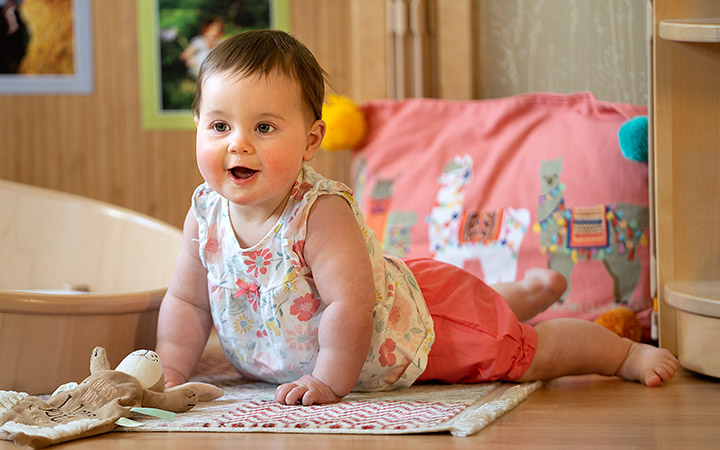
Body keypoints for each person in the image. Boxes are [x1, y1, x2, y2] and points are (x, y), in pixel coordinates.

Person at [156, 30, 678, 406]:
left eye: (265, 127)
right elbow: (187, 301)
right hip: (407, 295)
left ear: (312, 140)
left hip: (414, 334)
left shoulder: (319, 214)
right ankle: (521, 291)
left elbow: (350, 306)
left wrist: (327, 382)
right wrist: (171, 371)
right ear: (198, 126)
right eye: (220, 126)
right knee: (488, 308)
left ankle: (618, 353)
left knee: (518, 350)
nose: (238, 143)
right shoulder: (205, 215)